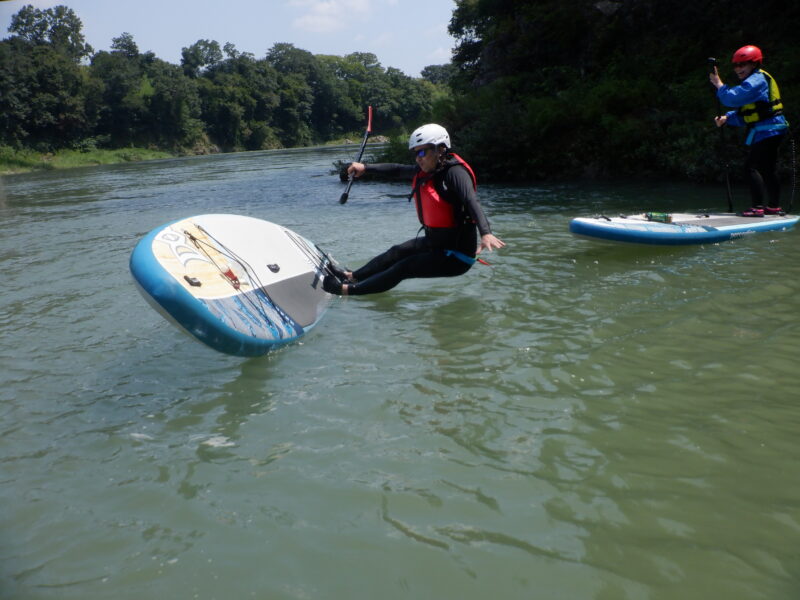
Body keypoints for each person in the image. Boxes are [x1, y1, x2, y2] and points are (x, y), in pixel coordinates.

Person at [323, 123, 505, 296]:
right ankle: (352, 277)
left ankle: (346, 291)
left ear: (440, 149)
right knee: (396, 252)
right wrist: (366, 167)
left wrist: (485, 232)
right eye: (416, 153)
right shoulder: (427, 171)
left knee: (404, 267)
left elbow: (471, 199)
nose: (419, 158)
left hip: (456, 257)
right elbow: (396, 170)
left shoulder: (455, 173)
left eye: (423, 151)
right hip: (435, 243)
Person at [709, 45, 789, 215]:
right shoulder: (753, 81)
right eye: (736, 65)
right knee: (767, 168)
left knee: (750, 167)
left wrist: (718, 84)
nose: (738, 69)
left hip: (769, 130)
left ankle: (757, 208)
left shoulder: (756, 81)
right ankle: (774, 206)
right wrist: (727, 118)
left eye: (743, 64)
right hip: (770, 129)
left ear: (754, 64)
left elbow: (732, 98)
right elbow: (747, 112)